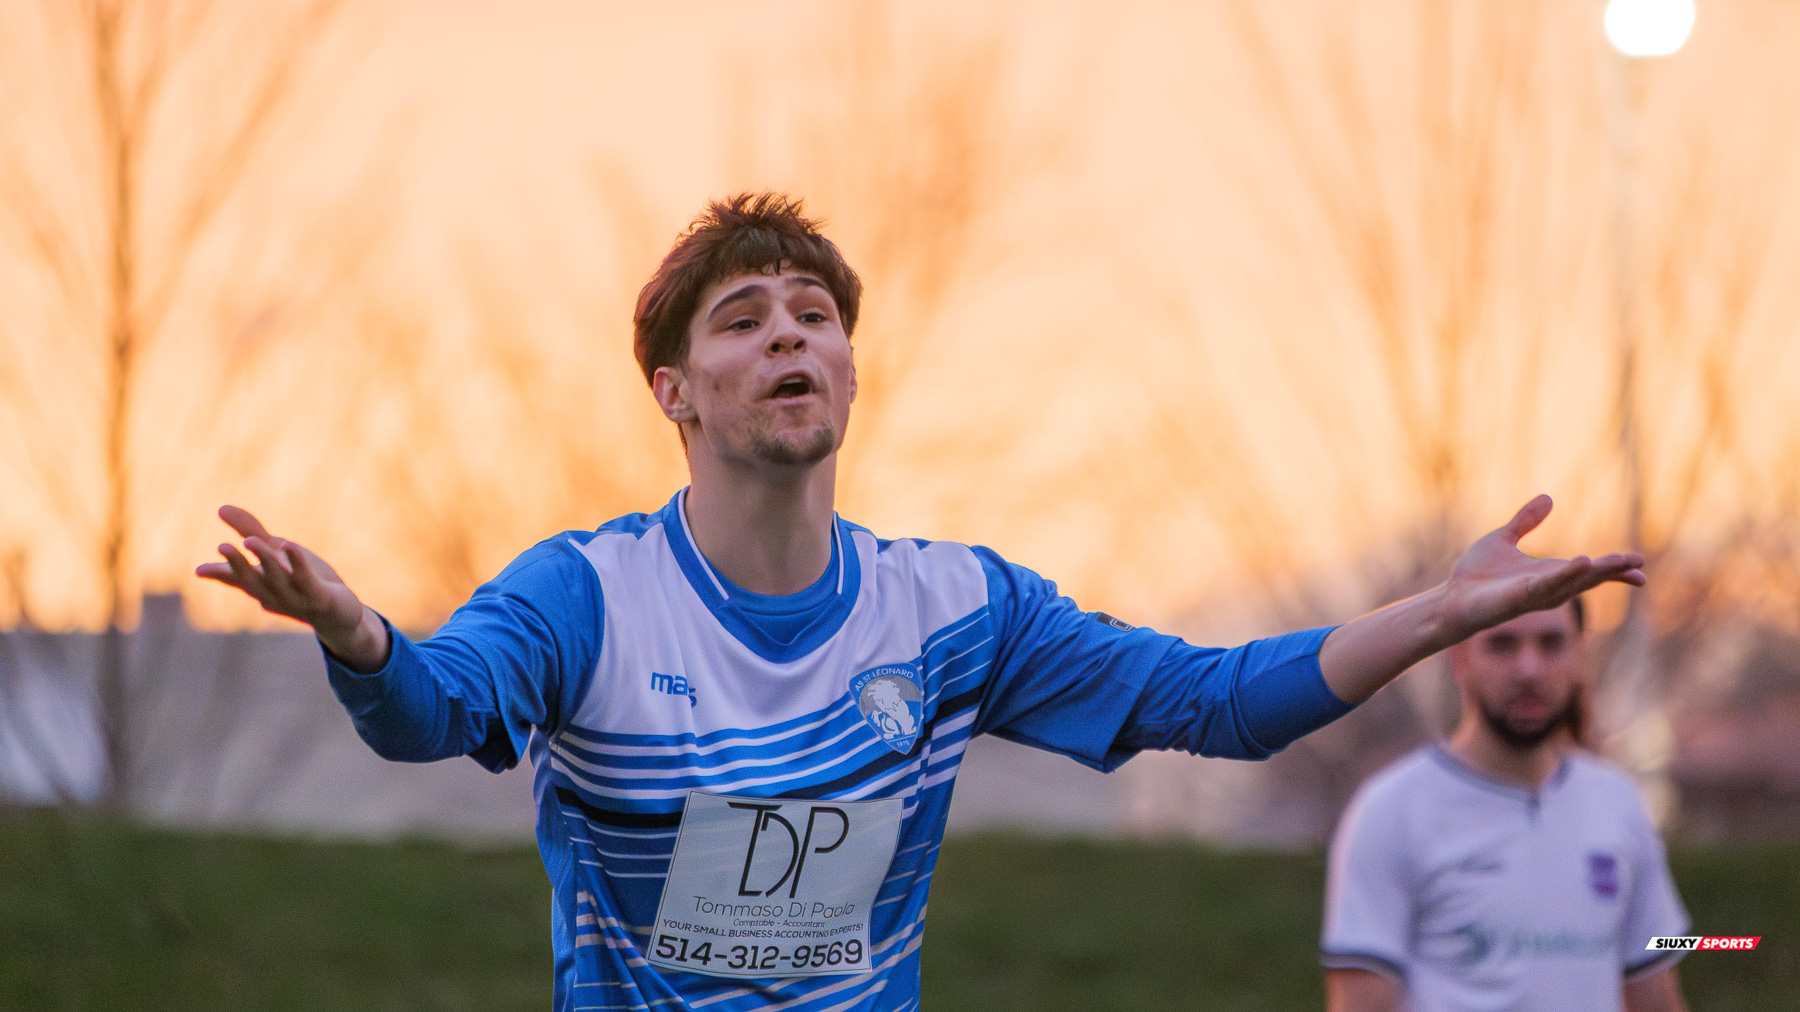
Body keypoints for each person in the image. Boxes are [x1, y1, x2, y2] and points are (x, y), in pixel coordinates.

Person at [197, 192, 1645, 1012]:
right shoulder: (590, 596)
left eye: (815, 318)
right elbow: (432, 708)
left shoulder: (957, 610)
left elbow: (1219, 704)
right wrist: (359, 636)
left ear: (848, 372)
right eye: (744, 320)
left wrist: (1437, 616)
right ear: (675, 394)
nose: (790, 338)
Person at [1320, 598, 1690, 1012]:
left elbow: (1653, 986)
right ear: (1459, 658)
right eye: (1502, 644)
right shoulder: (1391, 809)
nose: (1529, 669)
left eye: (1551, 643)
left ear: (1579, 655)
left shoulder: (1618, 802)